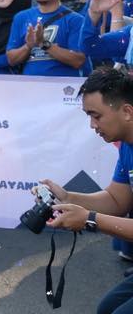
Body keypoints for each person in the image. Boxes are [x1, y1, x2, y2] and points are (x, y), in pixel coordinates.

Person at [42, 68, 133, 313]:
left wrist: (89, 220)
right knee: (106, 309)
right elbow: (117, 199)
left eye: (96, 116)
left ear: (126, 111)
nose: (92, 125)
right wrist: (68, 197)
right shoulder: (127, 145)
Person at [7, 0, 91, 76]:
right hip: (29, 85)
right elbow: (11, 59)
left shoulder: (75, 20)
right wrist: (28, 46)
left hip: (62, 87)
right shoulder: (21, 17)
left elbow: (78, 61)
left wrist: (44, 43)